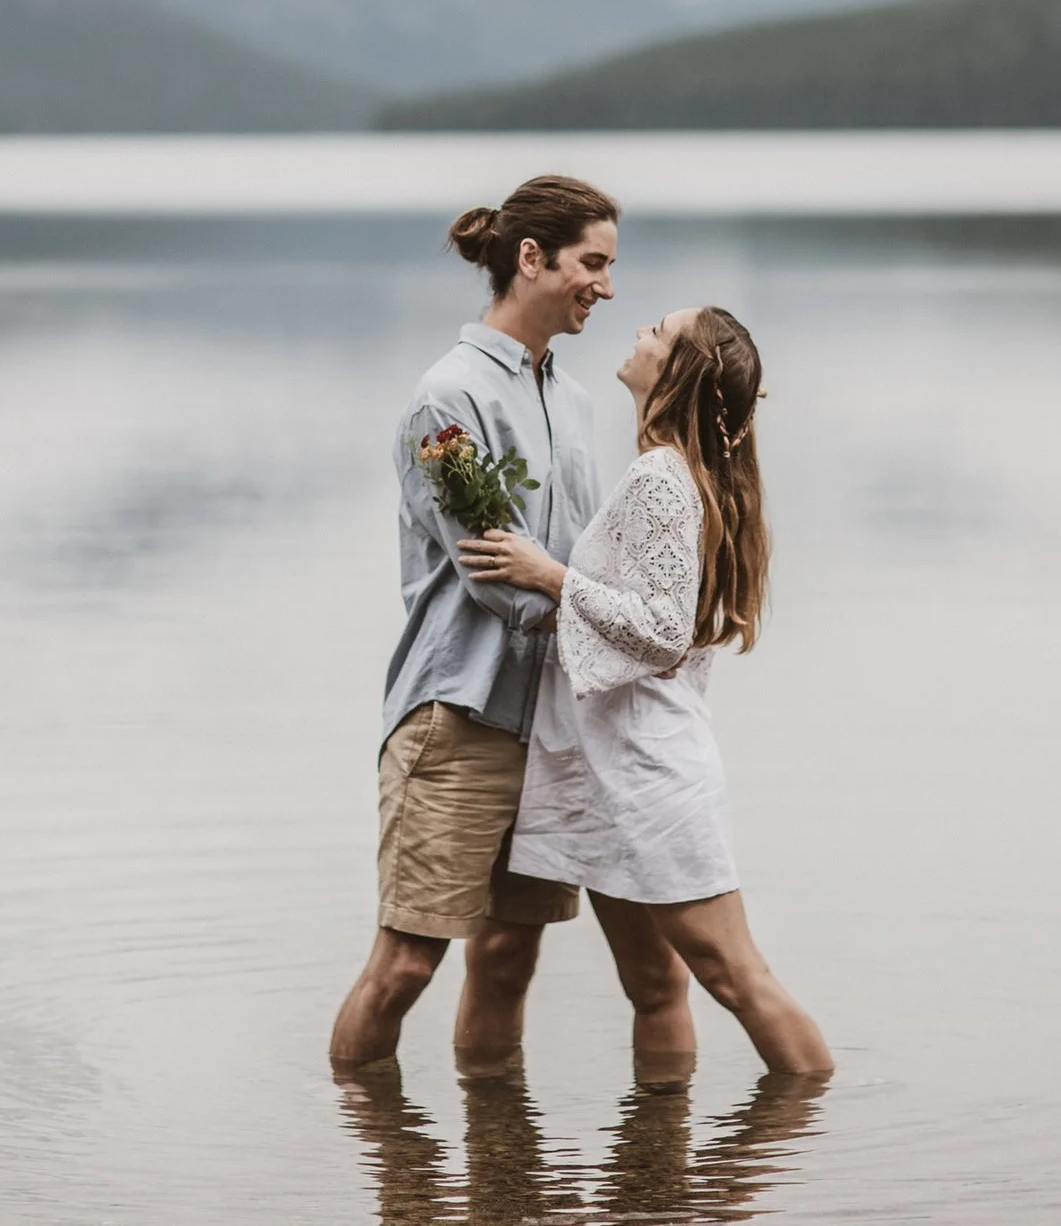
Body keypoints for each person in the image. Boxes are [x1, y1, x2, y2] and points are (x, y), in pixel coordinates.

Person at [458, 306, 833, 1076]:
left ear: (678, 370)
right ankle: (656, 1172)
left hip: (649, 772)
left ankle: (804, 1122)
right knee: (656, 982)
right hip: (605, 762)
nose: (638, 333)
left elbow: (662, 628)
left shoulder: (661, 476)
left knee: (733, 975)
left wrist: (549, 574)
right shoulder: (681, 472)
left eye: (658, 331)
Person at [329, 175, 620, 1076]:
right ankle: (382, 1162)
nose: (605, 287)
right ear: (530, 258)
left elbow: (568, 562)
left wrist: (600, 603)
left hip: (550, 724)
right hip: (456, 719)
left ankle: (501, 1181)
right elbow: (498, 576)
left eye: (610, 267)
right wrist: (617, 616)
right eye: (592, 263)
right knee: (409, 960)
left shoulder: (571, 399)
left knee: (508, 955)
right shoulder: (447, 398)